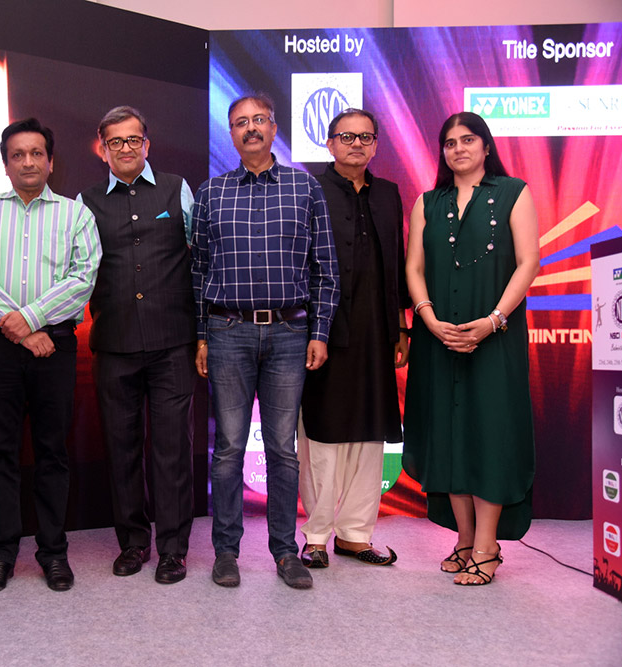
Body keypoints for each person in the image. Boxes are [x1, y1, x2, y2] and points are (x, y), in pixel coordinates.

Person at [190, 93, 339, 589]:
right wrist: (201, 336)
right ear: (231, 134)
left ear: (275, 129)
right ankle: (226, 552)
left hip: (289, 333)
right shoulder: (211, 193)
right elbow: (198, 271)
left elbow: (325, 268)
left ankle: (284, 552)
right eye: (240, 123)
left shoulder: (305, 187)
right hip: (227, 332)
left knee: (282, 449)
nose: (250, 128)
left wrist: (319, 332)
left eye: (259, 120)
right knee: (230, 448)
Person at [0, 118, 101, 593]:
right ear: (5, 164)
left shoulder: (75, 215)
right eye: (18, 154)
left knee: (52, 454)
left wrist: (33, 319)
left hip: (54, 347)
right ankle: (0, 555)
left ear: (51, 161)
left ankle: (53, 553)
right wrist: (23, 332)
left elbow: (83, 277)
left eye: (36, 153)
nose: (28, 161)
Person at [403, 111, 539, 586]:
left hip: (495, 337)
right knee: (449, 437)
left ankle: (487, 547)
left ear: (486, 146)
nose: (458, 148)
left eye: (467, 139)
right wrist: (428, 320)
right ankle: (464, 540)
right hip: (438, 338)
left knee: (489, 436)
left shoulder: (514, 193)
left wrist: (493, 321)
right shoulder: (427, 202)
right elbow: (413, 267)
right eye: (449, 142)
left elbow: (528, 262)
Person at [78, 106, 197, 584]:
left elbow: (201, 256)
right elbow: (78, 270)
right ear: (102, 148)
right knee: (121, 448)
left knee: (172, 450)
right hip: (114, 343)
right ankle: (132, 542)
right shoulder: (85, 202)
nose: (125, 148)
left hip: (173, 343)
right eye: (116, 141)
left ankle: (173, 549)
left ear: (147, 144)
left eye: (133, 140)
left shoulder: (176, 188)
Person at [297, 109, 409, 569]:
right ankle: (317, 536)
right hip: (325, 329)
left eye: (365, 137)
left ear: (376, 144)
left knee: (369, 435)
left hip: (377, 331)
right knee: (323, 435)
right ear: (329, 144)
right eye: (347, 136)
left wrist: (401, 327)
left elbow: (397, 262)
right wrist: (310, 328)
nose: (357, 144)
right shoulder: (309, 190)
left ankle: (356, 535)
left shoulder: (388, 194)